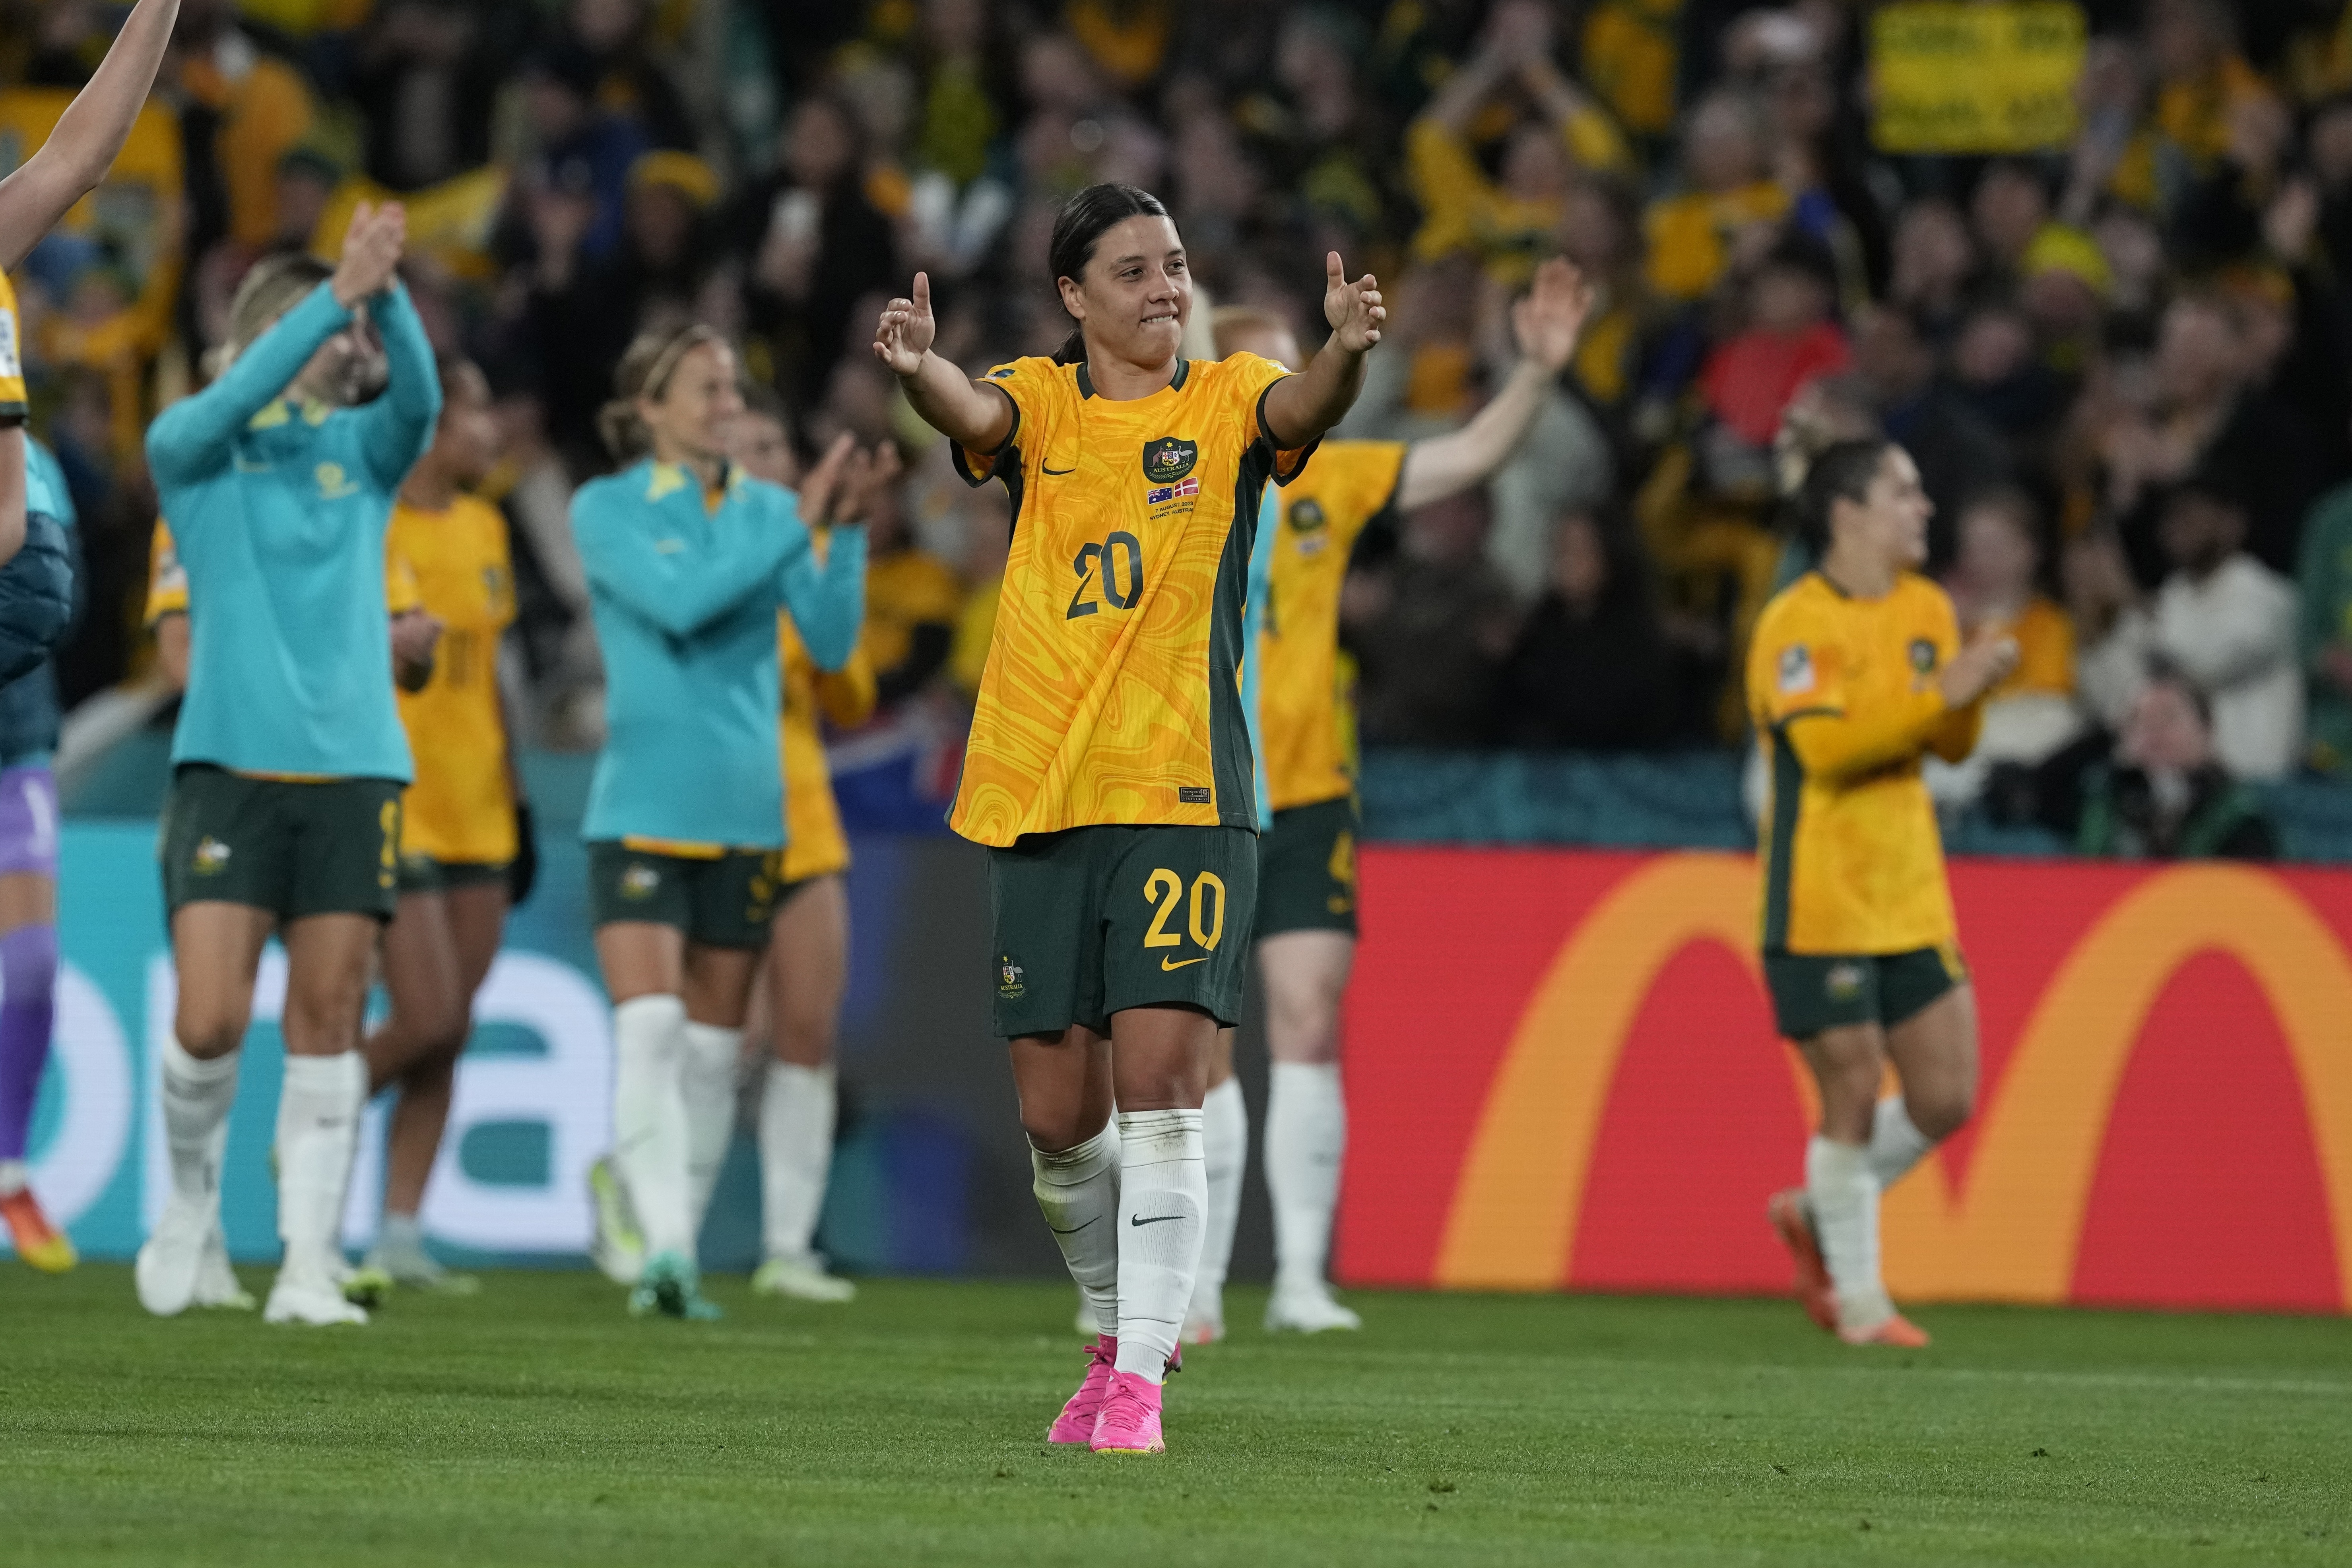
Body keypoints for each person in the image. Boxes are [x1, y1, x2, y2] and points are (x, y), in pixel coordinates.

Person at [876, 181, 1384, 1454]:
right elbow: (970, 411)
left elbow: (1301, 407)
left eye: (1173, 265)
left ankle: (1144, 1386)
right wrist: (921, 368)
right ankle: (1113, 1331)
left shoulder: (1225, 403)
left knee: (1166, 1088)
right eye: (1134, 270)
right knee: (1060, 1122)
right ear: (1073, 296)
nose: (1165, 288)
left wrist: (1341, 350)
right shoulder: (1039, 406)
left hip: (1182, 793)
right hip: (1039, 791)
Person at [1189, 256, 1593, 1341]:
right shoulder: (1170, 481)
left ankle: (1302, 1280)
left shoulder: (1328, 479)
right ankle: (1201, 1283)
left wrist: (1539, 377)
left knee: (1310, 1024)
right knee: (1202, 1043)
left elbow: (1465, 457)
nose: (1293, 381)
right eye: (1266, 363)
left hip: (1311, 788)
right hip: (1196, 795)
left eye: (1296, 361)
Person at [136, 204, 441, 1328]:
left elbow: (422, 402)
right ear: (280, 328)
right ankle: (188, 1214)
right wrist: (332, 292)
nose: (352, 346)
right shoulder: (197, 456)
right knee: (210, 1020)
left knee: (326, 1016)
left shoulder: (362, 458)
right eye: (334, 327)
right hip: (227, 765)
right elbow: (205, 417)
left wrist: (385, 292)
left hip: (356, 768)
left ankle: (308, 1262)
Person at [572, 323, 868, 1322]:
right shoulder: (606, 508)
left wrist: (849, 532)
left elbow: (827, 642)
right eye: (704, 387)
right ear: (648, 408)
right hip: (644, 810)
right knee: (650, 1026)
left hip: (749, 817)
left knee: (708, 1054)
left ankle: (675, 1247)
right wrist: (799, 525)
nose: (725, 402)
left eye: (732, 384)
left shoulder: (772, 512)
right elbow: (683, 605)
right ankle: (663, 1249)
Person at [1747, 438, 2018, 1348]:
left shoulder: (1926, 607)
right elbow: (1824, 752)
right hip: (1819, 894)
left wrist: (1967, 696)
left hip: (1910, 890)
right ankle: (1861, 1306)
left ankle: (1819, 1213)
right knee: (1854, 1086)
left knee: (1948, 1096)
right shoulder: (1796, 623)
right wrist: (1944, 690)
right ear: (1847, 512)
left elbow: (1949, 748)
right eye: (1905, 492)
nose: (1925, 509)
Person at [345, 357, 530, 1300]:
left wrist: (519, 790)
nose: (491, 427)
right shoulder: (373, 520)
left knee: (450, 1031)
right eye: (477, 407)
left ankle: (402, 1230)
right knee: (423, 1013)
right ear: (431, 423)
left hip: (482, 810)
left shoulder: (489, 525)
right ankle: (314, 1122)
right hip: (401, 796)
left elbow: (490, 677)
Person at [723, 394, 876, 1303]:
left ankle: (788, 1247)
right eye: (744, 448)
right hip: (717, 818)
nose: (766, 459)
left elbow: (851, 695)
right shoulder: (700, 555)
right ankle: (638, 1192)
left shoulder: (812, 561)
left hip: (804, 815)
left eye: (777, 440)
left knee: (808, 1031)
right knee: (724, 1038)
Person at [0, 438, 82, 1274]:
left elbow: (61, 600)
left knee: (30, 965)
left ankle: (11, 1170)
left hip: (12, 742)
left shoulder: (36, 462)